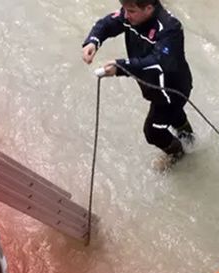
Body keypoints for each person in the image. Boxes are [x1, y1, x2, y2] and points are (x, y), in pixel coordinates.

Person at [82, 0, 195, 165]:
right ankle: (190, 139)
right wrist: (93, 41)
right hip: (152, 87)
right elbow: (108, 24)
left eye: (131, 11)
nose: (125, 15)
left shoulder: (170, 29)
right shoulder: (132, 15)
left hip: (171, 90)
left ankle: (178, 154)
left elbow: (158, 62)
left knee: (152, 131)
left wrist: (120, 66)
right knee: (175, 116)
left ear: (149, 8)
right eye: (125, 10)